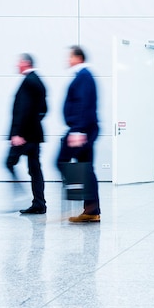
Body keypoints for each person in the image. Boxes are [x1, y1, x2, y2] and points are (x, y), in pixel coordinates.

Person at [57, 45, 101, 222]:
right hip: (84, 128)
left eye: (70, 57)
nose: (68, 60)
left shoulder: (83, 76)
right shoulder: (84, 76)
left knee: (61, 162)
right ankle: (91, 210)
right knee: (86, 167)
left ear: (78, 57)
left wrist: (77, 130)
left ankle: (89, 206)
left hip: (81, 129)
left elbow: (83, 103)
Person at [6, 53, 48, 214]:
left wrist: (18, 133)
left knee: (9, 163)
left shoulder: (28, 82)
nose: (17, 65)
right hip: (34, 135)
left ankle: (20, 196)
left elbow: (23, 110)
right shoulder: (38, 80)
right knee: (35, 168)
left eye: (18, 62)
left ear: (25, 63)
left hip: (24, 136)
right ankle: (39, 203)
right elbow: (44, 110)